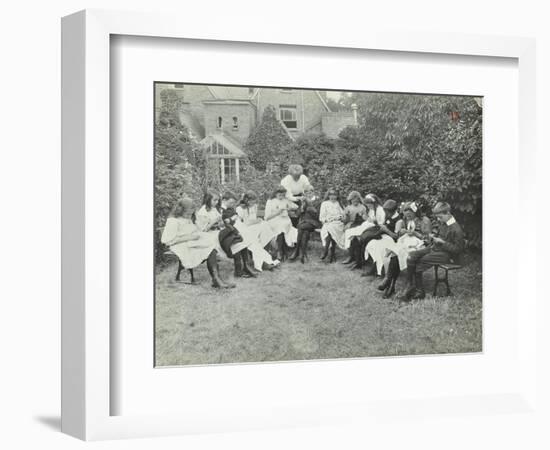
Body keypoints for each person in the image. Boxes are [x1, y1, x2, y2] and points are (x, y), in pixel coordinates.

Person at [161, 197, 235, 289]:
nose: (189, 215)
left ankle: (216, 279)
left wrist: (198, 234)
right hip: (179, 245)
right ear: (180, 210)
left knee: (212, 247)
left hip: (191, 242)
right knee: (210, 249)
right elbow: (168, 241)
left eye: (191, 213)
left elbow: (194, 230)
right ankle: (216, 280)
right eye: (187, 213)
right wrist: (190, 237)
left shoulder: (188, 219)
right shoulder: (173, 221)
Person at [398, 201, 464, 301]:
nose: (438, 219)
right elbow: (439, 236)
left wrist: (442, 243)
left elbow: (458, 250)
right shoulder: (444, 223)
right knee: (411, 256)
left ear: (447, 213)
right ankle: (410, 285)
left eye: (440, 217)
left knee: (419, 261)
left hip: (446, 255)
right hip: (435, 248)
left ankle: (419, 291)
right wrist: (433, 237)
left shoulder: (456, 228)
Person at [363, 199, 401, 298]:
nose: (386, 214)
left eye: (387, 212)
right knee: (372, 244)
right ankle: (378, 270)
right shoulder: (388, 217)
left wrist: (386, 230)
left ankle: (388, 281)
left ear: (391, 211)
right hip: (385, 238)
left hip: (394, 241)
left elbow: (396, 237)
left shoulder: (398, 220)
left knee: (385, 251)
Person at [234, 191, 279, 271]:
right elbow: (244, 223)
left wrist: (257, 221)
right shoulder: (240, 208)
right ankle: (264, 262)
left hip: (254, 227)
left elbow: (254, 218)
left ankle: (267, 253)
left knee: (265, 226)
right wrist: (257, 221)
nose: (254, 203)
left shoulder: (254, 206)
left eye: (254, 202)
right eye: (252, 201)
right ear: (247, 200)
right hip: (244, 230)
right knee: (255, 241)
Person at [264, 186, 299, 261]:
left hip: (285, 220)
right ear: (275, 194)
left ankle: (282, 251)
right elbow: (267, 217)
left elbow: (296, 206)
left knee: (284, 226)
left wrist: (289, 208)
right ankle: (280, 251)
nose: (281, 197)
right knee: (280, 227)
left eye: (283, 195)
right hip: (273, 220)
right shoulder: (270, 201)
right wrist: (278, 212)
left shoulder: (285, 200)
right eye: (280, 195)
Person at [289, 186, 321, 263]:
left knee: (300, 227)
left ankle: (296, 251)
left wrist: (310, 206)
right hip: (304, 224)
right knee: (304, 233)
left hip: (314, 223)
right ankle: (302, 255)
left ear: (313, 192)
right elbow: (297, 214)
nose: (308, 194)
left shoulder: (318, 202)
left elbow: (318, 216)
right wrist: (302, 208)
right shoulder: (303, 202)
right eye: (306, 193)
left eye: (310, 192)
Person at [319, 188, 346, 263]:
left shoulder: (339, 204)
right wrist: (326, 220)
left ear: (337, 196)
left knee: (331, 228)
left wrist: (340, 217)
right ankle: (331, 254)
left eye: (335, 195)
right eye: (331, 195)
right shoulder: (324, 203)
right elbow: (322, 216)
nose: (333, 197)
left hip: (338, 223)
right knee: (328, 229)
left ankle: (326, 251)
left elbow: (344, 215)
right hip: (328, 222)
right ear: (328, 195)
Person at [342, 191, 368, 265]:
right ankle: (351, 256)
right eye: (353, 200)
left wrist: (362, 216)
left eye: (357, 200)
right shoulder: (348, 208)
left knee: (354, 236)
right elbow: (345, 220)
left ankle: (357, 257)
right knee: (348, 235)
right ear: (350, 200)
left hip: (360, 224)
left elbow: (365, 218)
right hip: (351, 223)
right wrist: (346, 216)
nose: (355, 201)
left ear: (359, 200)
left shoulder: (362, 207)